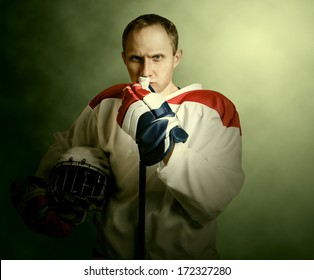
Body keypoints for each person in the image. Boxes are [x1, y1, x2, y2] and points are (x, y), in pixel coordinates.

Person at [10, 14, 245, 259]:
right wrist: (40, 187)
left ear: (176, 58)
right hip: (109, 259)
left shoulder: (213, 108)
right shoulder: (108, 103)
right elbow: (66, 147)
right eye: (136, 58)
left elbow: (216, 197)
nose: (146, 71)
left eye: (157, 57)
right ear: (124, 58)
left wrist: (167, 149)